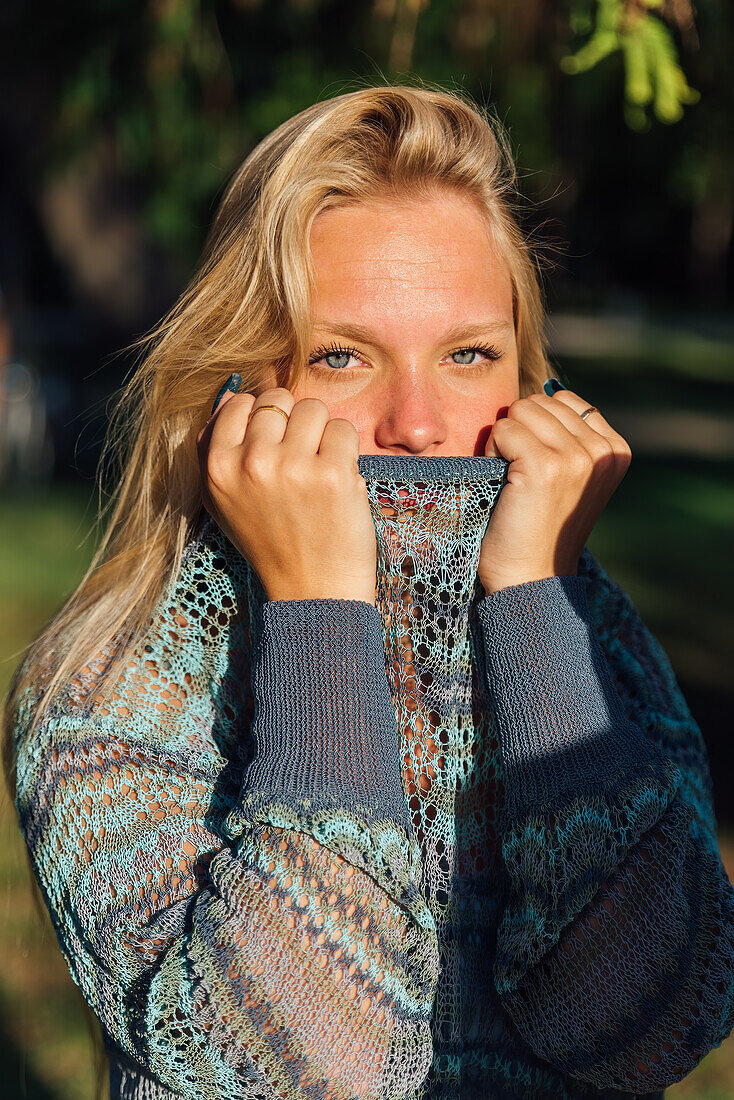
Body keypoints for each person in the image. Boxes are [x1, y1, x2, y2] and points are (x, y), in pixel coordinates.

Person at [3, 82, 732, 1100]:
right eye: (341, 356)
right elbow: (312, 1070)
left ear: (527, 385)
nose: (420, 424)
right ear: (241, 389)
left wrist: (536, 606)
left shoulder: (593, 640)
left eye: (467, 353)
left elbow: (642, 1031)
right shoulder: (113, 690)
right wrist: (319, 619)